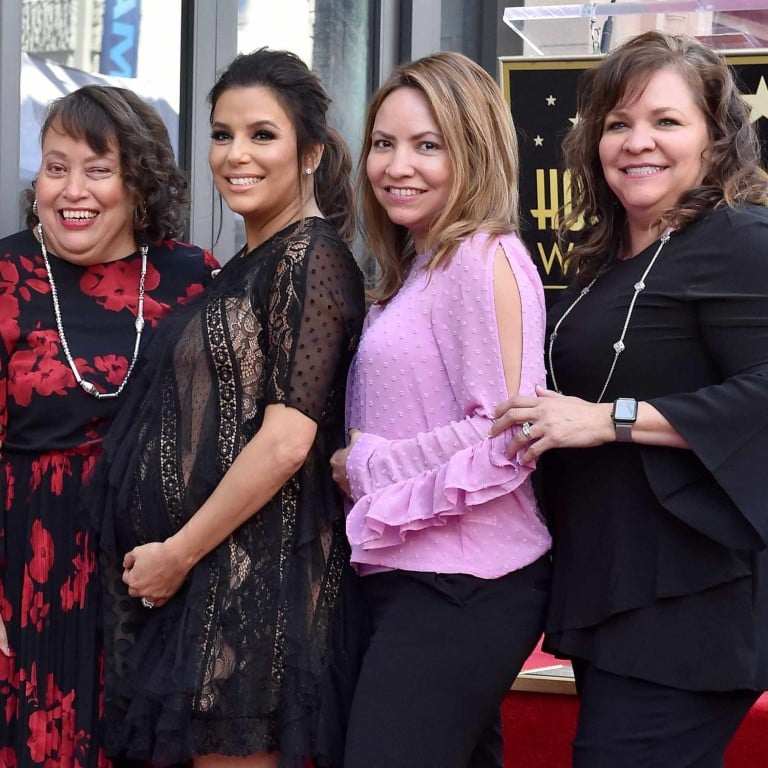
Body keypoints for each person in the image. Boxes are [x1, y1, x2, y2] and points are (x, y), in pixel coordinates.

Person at [491, 30, 768, 767]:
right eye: (618, 123)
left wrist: (608, 420)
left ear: (716, 140)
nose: (637, 141)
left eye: (666, 121)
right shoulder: (603, 263)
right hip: (610, 587)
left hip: (689, 599)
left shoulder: (740, 238)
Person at [88, 49, 366, 768]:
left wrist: (177, 555)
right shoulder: (249, 260)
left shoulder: (310, 257)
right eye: (221, 133)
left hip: (256, 596)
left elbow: (284, 442)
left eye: (261, 134)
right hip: (208, 590)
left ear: (310, 153)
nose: (235, 154)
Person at [329, 51, 552, 768]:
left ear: (474, 152)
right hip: (413, 575)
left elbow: (508, 429)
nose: (399, 165)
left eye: (429, 145)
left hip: (465, 582)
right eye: (385, 144)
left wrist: (367, 465)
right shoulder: (419, 265)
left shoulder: (480, 256)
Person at [0, 85, 218, 768]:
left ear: (139, 180)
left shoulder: (194, 278)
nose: (72, 189)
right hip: (28, 568)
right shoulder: (6, 275)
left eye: (98, 169)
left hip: (159, 577)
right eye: (55, 166)